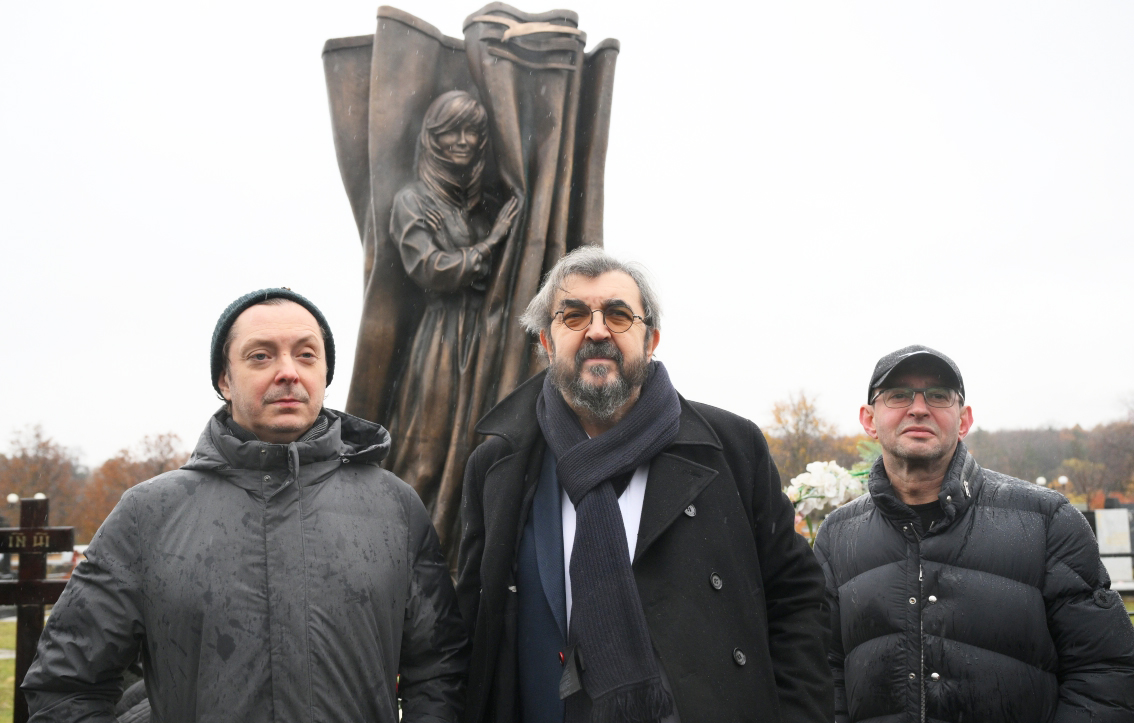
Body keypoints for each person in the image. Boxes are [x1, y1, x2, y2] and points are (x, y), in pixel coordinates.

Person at [22, 288, 468, 723]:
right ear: (224, 380)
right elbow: (65, 687)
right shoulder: (148, 514)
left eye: (306, 355)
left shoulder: (395, 508)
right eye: (261, 356)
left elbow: (440, 671)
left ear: (325, 374)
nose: (288, 371)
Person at [457, 247, 832, 723]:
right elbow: (472, 624)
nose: (597, 331)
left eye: (618, 315)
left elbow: (796, 601)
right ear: (547, 342)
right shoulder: (498, 466)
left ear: (650, 340)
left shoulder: (734, 449)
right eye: (574, 316)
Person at [814, 345, 1134, 722]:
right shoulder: (838, 536)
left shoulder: (1047, 521)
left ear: (964, 420)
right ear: (869, 419)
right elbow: (822, 674)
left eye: (938, 395)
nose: (919, 408)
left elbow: (1104, 671)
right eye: (898, 395)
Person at [385, 89, 519, 552]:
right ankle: (399, 553)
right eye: (452, 131)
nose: (463, 140)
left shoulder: (484, 203)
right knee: (426, 453)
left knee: (472, 452)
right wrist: (490, 243)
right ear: (432, 136)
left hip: (487, 339)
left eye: (473, 131)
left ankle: (460, 556)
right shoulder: (412, 200)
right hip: (441, 341)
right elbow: (429, 268)